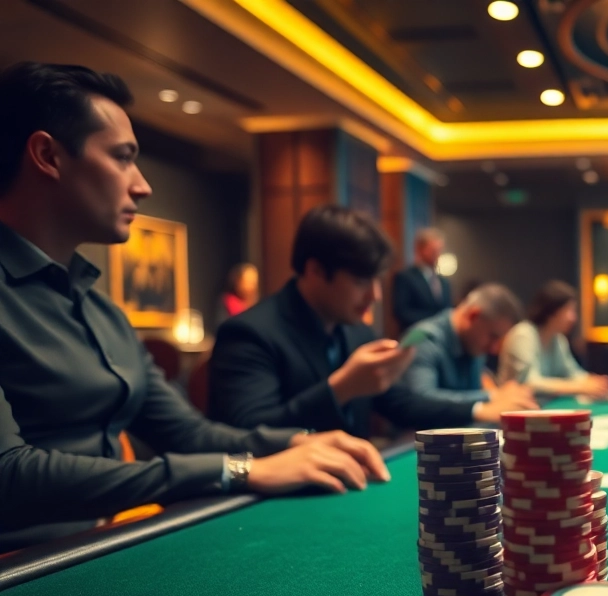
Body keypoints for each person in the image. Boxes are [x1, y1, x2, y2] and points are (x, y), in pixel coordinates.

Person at [0, 62, 386, 540]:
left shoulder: (100, 310)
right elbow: (9, 477)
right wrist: (236, 470)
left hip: (98, 547)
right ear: (47, 156)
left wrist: (300, 441)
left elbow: (189, 433)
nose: (142, 184)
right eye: (122, 158)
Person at [210, 206, 530, 436]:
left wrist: (477, 409)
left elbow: (401, 404)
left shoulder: (355, 331)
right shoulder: (248, 333)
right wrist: (340, 389)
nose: (375, 296)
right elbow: (246, 434)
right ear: (316, 270)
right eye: (363, 281)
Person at [402, 283, 537, 413]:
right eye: (493, 336)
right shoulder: (422, 338)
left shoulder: (473, 343)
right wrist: (492, 396)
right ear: (473, 316)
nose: (494, 349)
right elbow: (419, 400)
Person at [497, 280, 608, 399]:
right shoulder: (523, 334)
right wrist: (581, 387)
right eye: (569, 310)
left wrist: (595, 383)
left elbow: (572, 373)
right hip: (511, 411)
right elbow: (530, 383)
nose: (573, 318)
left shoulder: (558, 339)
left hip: (540, 407)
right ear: (552, 312)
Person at [392, 227, 452, 330]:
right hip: (415, 336)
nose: (437, 255)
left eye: (439, 250)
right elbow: (402, 312)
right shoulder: (406, 277)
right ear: (420, 249)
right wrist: (435, 320)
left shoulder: (443, 282)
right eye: (433, 250)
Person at [217, 262, 259, 327]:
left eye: (253, 283)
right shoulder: (227, 302)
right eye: (247, 282)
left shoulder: (256, 304)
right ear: (238, 281)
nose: (251, 286)